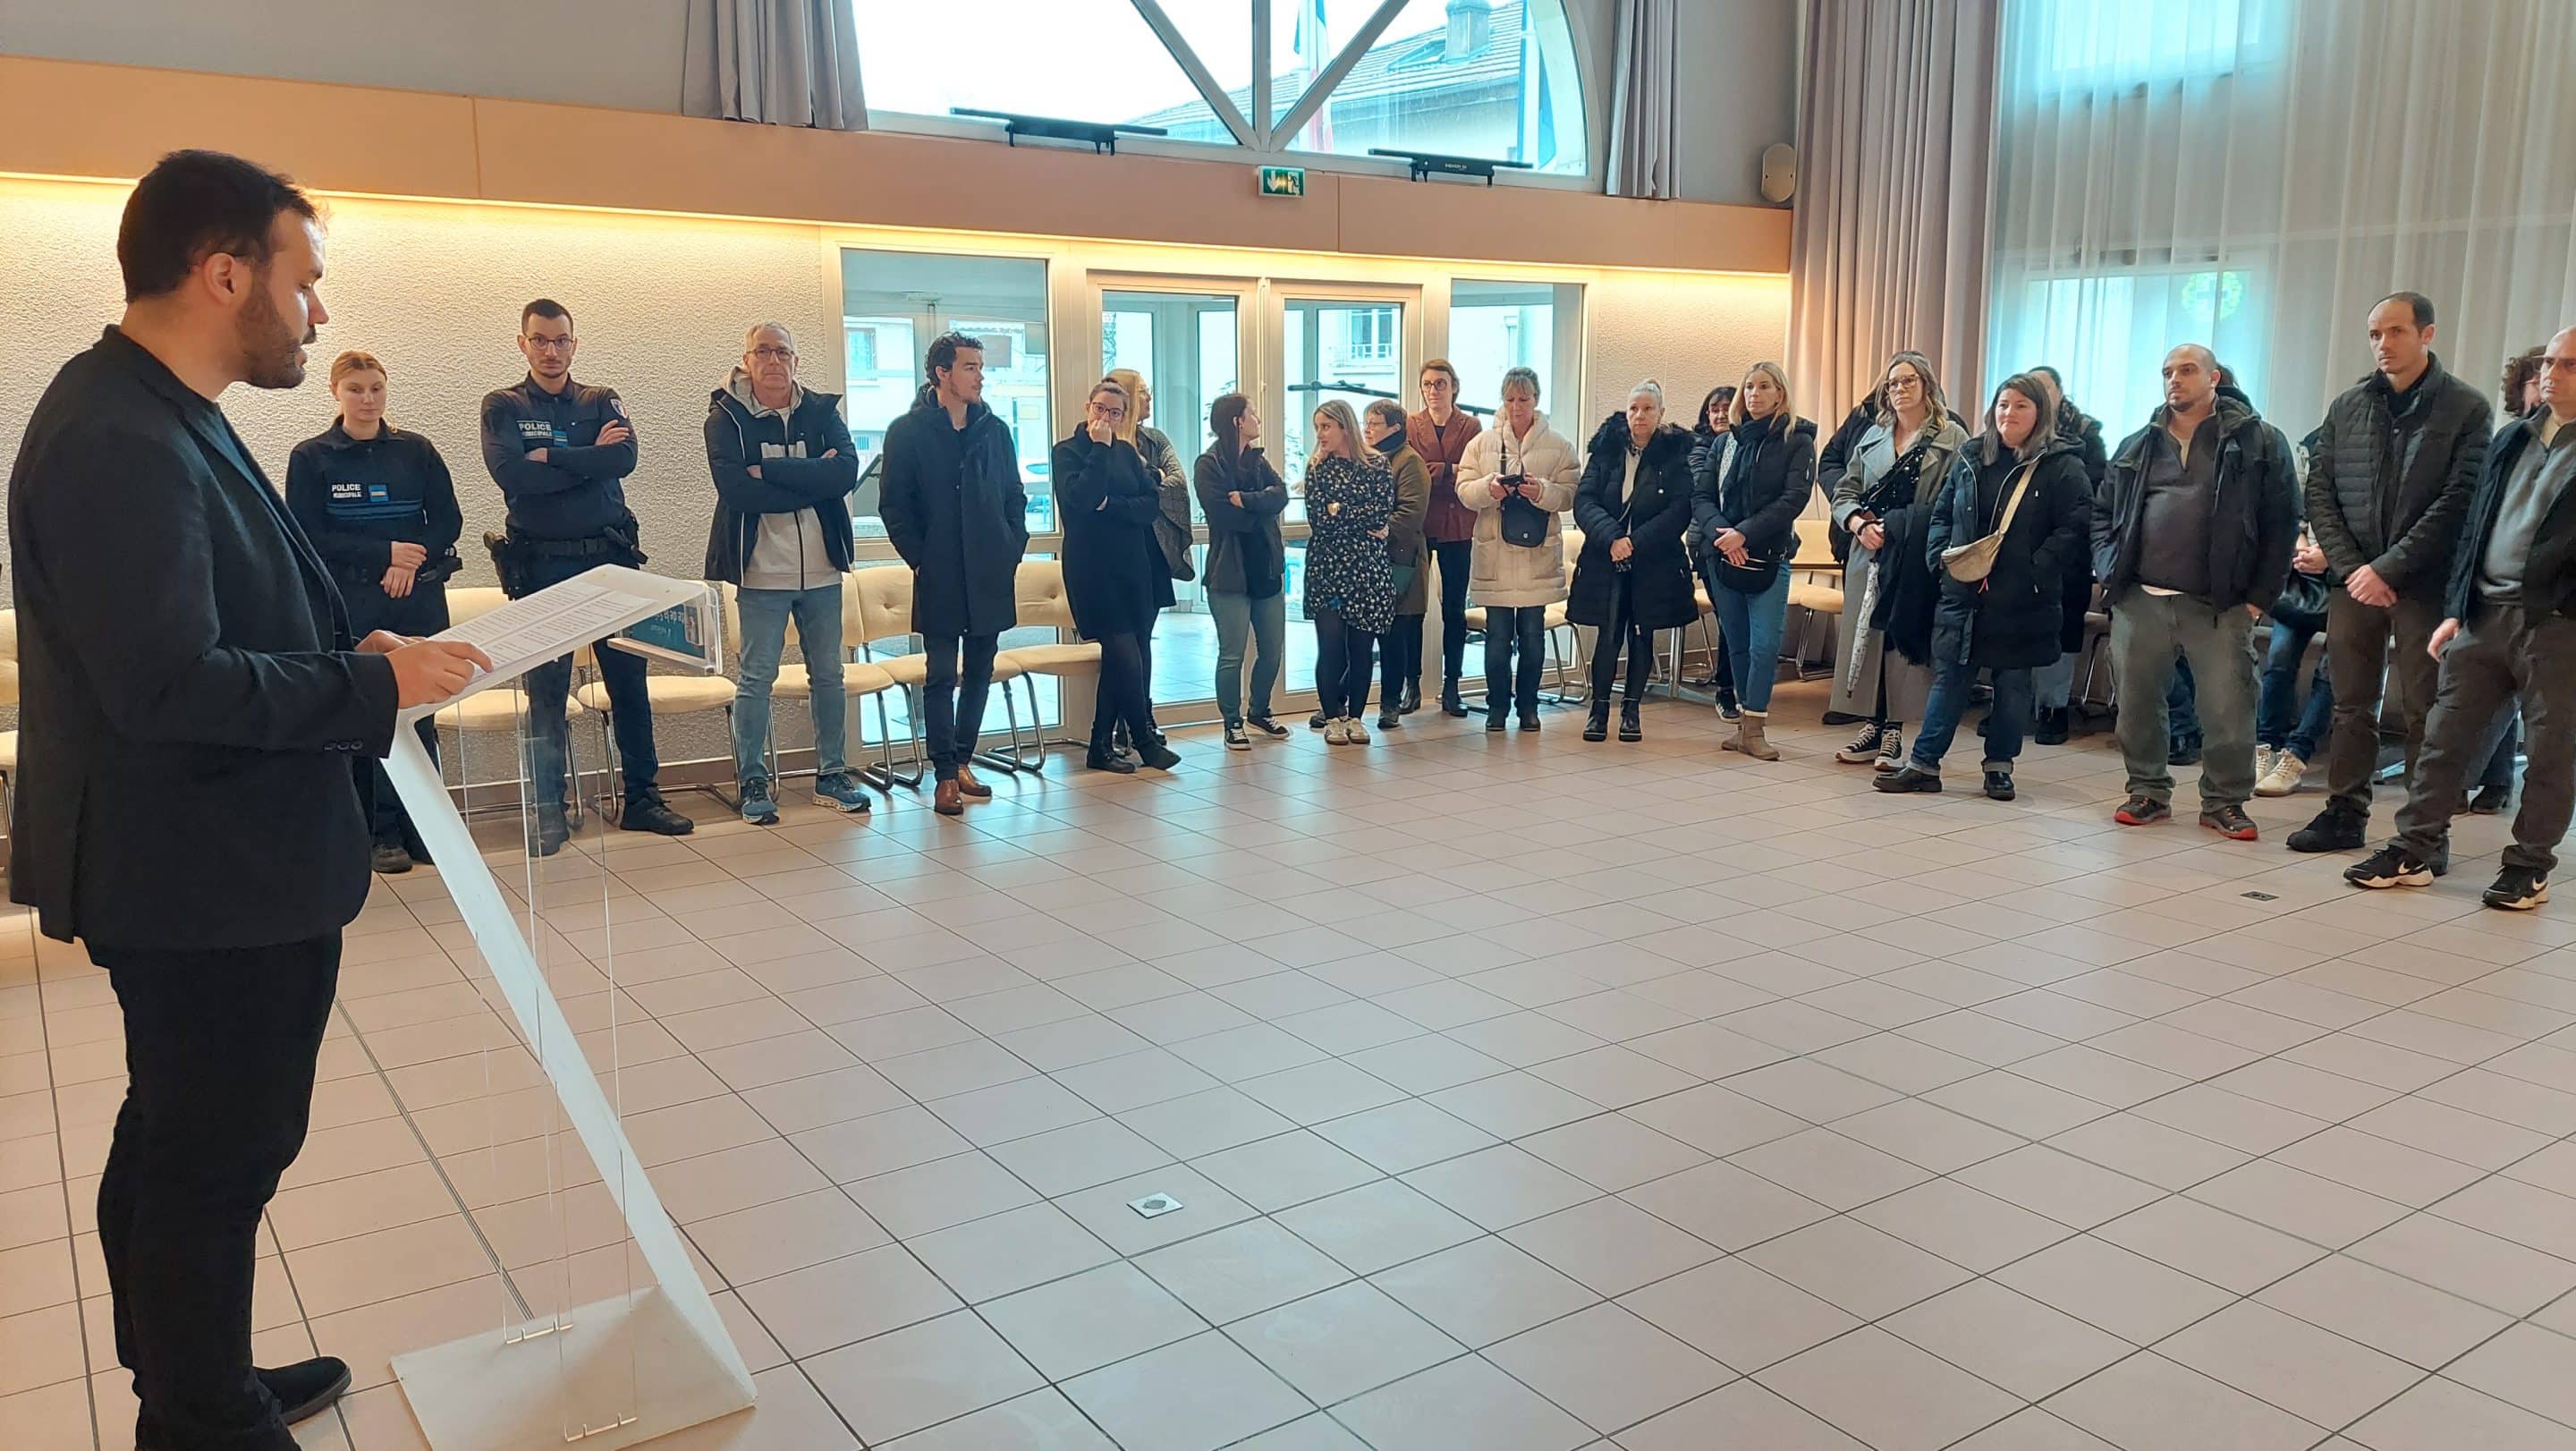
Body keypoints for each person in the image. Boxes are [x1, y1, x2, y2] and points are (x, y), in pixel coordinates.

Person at [8, 148, 489, 1451]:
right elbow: (170, 682)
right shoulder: (116, 436)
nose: (318, 313)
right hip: (199, 875)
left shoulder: (165, 409)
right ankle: (200, 1415)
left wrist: (355, 650)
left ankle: (190, 1370)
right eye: (303, 281)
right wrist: (368, 689)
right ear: (225, 275)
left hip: (218, 860)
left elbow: (224, 611)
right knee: (213, 1157)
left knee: (184, 1135)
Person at [2346, 325, 2576, 911]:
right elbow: (2474, 526)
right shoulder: (2514, 437)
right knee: (2443, 738)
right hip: (2483, 614)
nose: (2551, 373)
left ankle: (2528, 866)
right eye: (2549, 361)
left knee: (2551, 751)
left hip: (2557, 623)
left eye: (2569, 364)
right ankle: (2414, 848)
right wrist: (2455, 609)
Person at [480, 299, 694, 851]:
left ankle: (642, 800)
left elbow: (622, 461)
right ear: (523, 344)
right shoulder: (502, 405)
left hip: (609, 561)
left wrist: (549, 456)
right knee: (546, 694)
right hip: (543, 565)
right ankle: (548, 810)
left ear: (574, 345)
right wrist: (584, 457)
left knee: (629, 687)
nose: (551, 350)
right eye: (540, 340)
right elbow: (512, 475)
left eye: (561, 340)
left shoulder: (601, 399)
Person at [2290, 293, 2494, 855]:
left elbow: (2460, 501)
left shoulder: (2466, 408)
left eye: (2396, 331)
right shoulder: (2348, 406)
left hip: (2424, 582)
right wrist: (2355, 568)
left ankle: (2424, 833)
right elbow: (2320, 492)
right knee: (2350, 704)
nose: (2383, 344)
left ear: (2427, 334)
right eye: (2375, 334)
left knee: (2428, 710)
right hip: (2355, 580)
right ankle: (2344, 813)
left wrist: (2388, 567)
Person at [2094, 344, 2300, 837]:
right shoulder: (2138, 444)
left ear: (2214, 378)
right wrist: (2108, 570)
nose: (2174, 379)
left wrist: (2258, 598)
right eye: (2167, 371)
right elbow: (2102, 512)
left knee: (2229, 708)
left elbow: (2282, 522)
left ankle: (2225, 802)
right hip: (2140, 599)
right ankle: (2147, 790)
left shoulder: (2259, 442)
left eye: (2187, 370)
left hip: (2220, 603)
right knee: (2138, 705)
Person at [284, 349, 462, 874]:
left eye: (376, 388)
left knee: (422, 715)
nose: (367, 399)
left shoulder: (416, 451)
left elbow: (447, 520)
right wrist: (384, 554)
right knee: (372, 715)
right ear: (335, 393)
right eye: (356, 389)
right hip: (354, 602)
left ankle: (424, 828)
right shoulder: (312, 457)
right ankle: (380, 833)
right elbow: (306, 534)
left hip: (417, 599)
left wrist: (411, 558)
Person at [1878, 374, 2091, 798]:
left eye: (2021, 406)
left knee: (2013, 686)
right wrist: (1941, 560)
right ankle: (1923, 765)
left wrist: (2036, 569)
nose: (2009, 413)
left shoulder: (2062, 465)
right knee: (1949, 680)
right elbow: (1942, 512)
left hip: (2024, 599)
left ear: (2040, 414)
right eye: (2003, 405)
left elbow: (2075, 525)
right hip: (1964, 593)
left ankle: (1999, 767)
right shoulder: (1972, 455)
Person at [700, 321, 868, 825]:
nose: (773, 360)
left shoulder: (822, 412)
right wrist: (813, 477)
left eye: (782, 352)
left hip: (822, 570)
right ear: (747, 360)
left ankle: (832, 775)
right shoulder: (725, 419)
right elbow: (737, 491)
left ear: (796, 360)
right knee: (756, 679)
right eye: (763, 352)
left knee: (830, 676)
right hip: (760, 573)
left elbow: (845, 473)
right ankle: (753, 780)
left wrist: (769, 470)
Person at [879, 331, 1030, 816]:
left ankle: (964, 760)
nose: (979, 377)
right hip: (940, 570)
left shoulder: (995, 430)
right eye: (969, 367)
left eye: (980, 367)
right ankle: (944, 774)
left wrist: (1012, 546)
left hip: (990, 568)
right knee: (940, 674)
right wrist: (920, 557)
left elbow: (1014, 494)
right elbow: (894, 506)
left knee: (981, 670)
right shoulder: (908, 431)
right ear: (942, 373)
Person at [1827, 352, 1969, 769]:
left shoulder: (1952, 438)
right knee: (1868, 637)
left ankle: (1894, 730)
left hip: (1915, 553)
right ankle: (1872, 726)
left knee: (1901, 638)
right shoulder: (1873, 435)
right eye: (1892, 383)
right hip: (1868, 550)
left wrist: (1903, 526)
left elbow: (1956, 500)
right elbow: (1844, 491)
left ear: (1926, 385)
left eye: (1909, 381)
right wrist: (1857, 523)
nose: (1900, 389)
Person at [1695, 361, 1818, 759]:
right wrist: (1726, 537)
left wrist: (1744, 534)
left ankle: (1756, 726)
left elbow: (1793, 499)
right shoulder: (1725, 443)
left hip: (1768, 556)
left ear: (1780, 393)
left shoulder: (1798, 440)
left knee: (1765, 645)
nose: (1754, 394)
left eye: (1764, 386)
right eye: (1749, 387)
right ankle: (1744, 728)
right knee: (1738, 644)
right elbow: (1702, 497)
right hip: (1722, 556)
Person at [1055, 378, 1179, 773]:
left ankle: (1099, 746)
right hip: (1092, 569)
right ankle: (1143, 739)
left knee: (1121, 658)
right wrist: (1099, 449)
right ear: (1087, 407)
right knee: (1125, 653)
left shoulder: (1128, 454)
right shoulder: (1068, 452)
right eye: (1100, 409)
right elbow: (1081, 500)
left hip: (1132, 565)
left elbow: (1149, 506)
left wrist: (1111, 506)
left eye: (1115, 412)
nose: (1106, 418)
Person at [1570, 380, 1698, 742]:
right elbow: (1584, 501)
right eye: (1633, 408)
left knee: (1642, 634)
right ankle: (1598, 711)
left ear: (1661, 414)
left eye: (1648, 409)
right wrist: (1613, 538)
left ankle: (1631, 710)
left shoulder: (1674, 455)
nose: (1639, 415)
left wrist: (1634, 542)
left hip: (1652, 561)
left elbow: (1680, 510)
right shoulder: (1606, 450)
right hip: (1605, 558)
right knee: (1608, 634)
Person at [1457, 367, 1581, 732]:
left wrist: (1541, 490)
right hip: (1494, 556)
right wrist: (1489, 488)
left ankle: (1529, 707)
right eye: (1510, 399)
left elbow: (1571, 495)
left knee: (1532, 637)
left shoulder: (1558, 445)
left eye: (1523, 399)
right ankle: (1497, 708)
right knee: (1496, 638)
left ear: (1536, 400)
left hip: (1537, 556)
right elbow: (1464, 490)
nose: (1516, 406)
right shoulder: (1482, 443)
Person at [2469, 345, 2549, 812]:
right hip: (2488, 594)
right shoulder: (2507, 441)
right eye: (2536, 379)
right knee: (2489, 690)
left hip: (2541, 602)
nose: (2545, 385)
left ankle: (2500, 784)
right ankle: (2486, 779)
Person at [1195, 394, 1290, 749]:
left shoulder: (1257, 459)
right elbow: (1223, 515)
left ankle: (1259, 710)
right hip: (1229, 574)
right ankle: (1232, 720)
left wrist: (1247, 500)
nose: (1258, 419)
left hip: (1266, 569)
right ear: (1237, 420)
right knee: (1232, 653)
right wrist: (1259, 510)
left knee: (1272, 650)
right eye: (1253, 414)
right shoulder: (1209, 464)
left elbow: (1280, 496)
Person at [1304, 400, 1399, 743]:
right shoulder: (1317, 469)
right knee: (1330, 647)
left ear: (1345, 427)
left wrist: (1340, 509)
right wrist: (1354, 515)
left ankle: (1356, 717)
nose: (1320, 434)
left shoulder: (1377, 464)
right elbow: (1320, 521)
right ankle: (1332, 717)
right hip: (1327, 568)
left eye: (1326, 426)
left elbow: (1380, 514)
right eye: (1317, 427)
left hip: (1368, 569)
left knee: (1361, 648)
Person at [1106, 367, 1190, 751]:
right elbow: (1104, 496)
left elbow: (1177, 483)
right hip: (1113, 554)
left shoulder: (1155, 440)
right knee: (1120, 643)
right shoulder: (1099, 441)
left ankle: (1142, 716)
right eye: (1143, 391)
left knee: (1143, 639)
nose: (1149, 399)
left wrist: (1144, 478)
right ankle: (1119, 722)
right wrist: (1146, 485)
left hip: (1152, 551)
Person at [2026, 365, 2105, 744]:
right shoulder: (2014, 433)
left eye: (2045, 387)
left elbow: (2091, 495)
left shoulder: (2087, 436)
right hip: (2021, 550)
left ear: (2059, 392)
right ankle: (2016, 705)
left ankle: (2053, 708)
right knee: (2017, 626)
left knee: (2061, 630)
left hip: (2069, 554)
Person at [1408, 359, 1484, 717]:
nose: (1433, 390)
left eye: (1440, 383)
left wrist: (1438, 471)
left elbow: (1473, 472)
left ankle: (1452, 686)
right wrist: (1450, 470)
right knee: (1412, 609)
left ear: (1454, 386)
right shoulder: (1411, 424)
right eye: (1427, 384)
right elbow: (1412, 473)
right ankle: (1411, 684)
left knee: (1454, 609)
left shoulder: (1471, 425)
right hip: (1420, 525)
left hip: (1458, 525)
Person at [2252, 526, 2336, 796]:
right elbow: (2295, 516)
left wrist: (2331, 555)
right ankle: (2266, 745)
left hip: (2351, 580)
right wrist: (2301, 548)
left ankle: (2297, 754)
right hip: (2302, 579)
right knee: (2279, 658)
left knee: (2331, 670)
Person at [1366, 399, 1431, 730]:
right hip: (1367, 560)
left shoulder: (1409, 462)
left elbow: (1411, 512)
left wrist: (1379, 530)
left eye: (1374, 424)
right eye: (1365, 423)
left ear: (1394, 427)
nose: (1367, 430)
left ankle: (1391, 702)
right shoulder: (1366, 459)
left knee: (1395, 635)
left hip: (1400, 560)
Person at [1685, 384, 1741, 714]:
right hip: (1708, 544)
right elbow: (1706, 494)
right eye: (1713, 409)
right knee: (1729, 617)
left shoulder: (1750, 444)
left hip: (1745, 542)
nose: (1720, 415)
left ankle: (1741, 687)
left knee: (1738, 619)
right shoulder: (1699, 448)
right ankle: (1726, 689)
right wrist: (1729, 536)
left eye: (1725, 408)